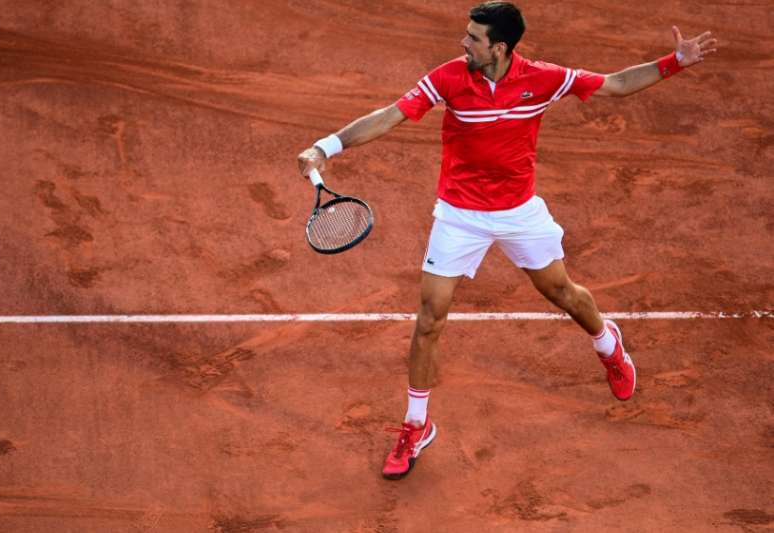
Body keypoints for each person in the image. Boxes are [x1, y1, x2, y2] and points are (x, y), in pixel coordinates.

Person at [296, 1, 717, 480]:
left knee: (563, 293)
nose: (463, 43)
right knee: (429, 317)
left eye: (473, 38)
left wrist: (674, 63)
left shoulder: (543, 78)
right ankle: (416, 423)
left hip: (519, 212)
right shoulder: (451, 77)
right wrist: (326, 145)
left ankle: (608, 345)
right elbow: (393, 114)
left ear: (499, 47)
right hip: (459, 215)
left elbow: (616, 85)